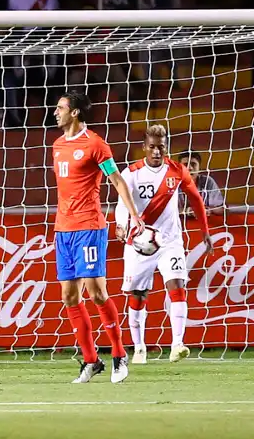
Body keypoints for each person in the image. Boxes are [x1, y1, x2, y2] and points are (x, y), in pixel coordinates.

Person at [51, 91, 139, 384]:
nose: (56, 112)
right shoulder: (58, 144)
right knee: (68, 296)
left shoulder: (96, 145)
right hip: (63, 229)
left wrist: (133, 215)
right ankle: (91, 360)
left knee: (96, 292)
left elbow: (116, 179)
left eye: (61, 108)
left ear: (75, 113)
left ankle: (119, 354)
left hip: (89, 226)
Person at [114, 125, 213, 365]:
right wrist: (119, 224)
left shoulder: (177, 171)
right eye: (152, 147)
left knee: (177, 286)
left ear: (166, 147)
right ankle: (139, 348)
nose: (157, 152)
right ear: (144, 147)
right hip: (139, 243)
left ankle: (177, 344)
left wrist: (205, 232)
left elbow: (196, 200)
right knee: (138, 296)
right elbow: (120, 203)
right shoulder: (131, 173)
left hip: (170, 241)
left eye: (161, 147)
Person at [179, 151, 226, 216]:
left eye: (193, 164)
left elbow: (221, 209)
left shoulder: (208, 181)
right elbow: (164, 210)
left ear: (199, 167)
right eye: (185, 164)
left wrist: (208, 210)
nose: (190, 168)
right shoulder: (172, 182)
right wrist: (188, 211)